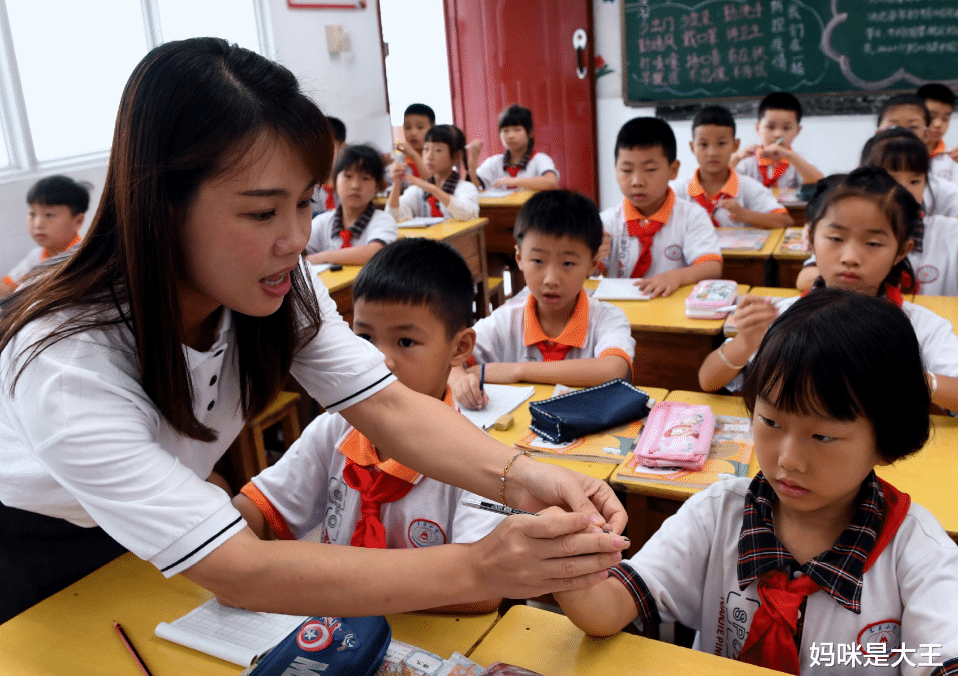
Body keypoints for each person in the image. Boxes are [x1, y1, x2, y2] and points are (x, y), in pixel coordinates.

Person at [0, 38, 628, 624]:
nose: (298, 239)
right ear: (161, 205)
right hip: (42, 551)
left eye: (305, 202)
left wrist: (523, 474)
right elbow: (241, 571)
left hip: (157, 535)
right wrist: (482, 566)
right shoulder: (68, 358)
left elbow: (385, 405)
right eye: (262, 211)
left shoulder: (273, 279)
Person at [555, 287, 958, 676]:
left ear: (886, 442)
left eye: (822, 437)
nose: (788, 459)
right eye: (771, 422)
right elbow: (605, 612)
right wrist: (563, 560)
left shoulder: (916, 552)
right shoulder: (716, 514)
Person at [236, 238, 503, 613]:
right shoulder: (333, 430)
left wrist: (328, 583)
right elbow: (259, 513)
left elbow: (484, 591)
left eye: (405, 341)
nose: (379, 359)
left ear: (459, 349)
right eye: (364, 337)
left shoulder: (478, 460)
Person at [699, 167, 958, 413]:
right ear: (810, 238)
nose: (850, 257)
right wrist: (745, 342)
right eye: (835, 239)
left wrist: (908, 376)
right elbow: (708, 380)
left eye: (873, 243)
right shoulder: (782, 316)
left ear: (901, 251)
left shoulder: (922, 326)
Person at [451, 190, 634, 410]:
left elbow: (613, 369)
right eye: (538, 260)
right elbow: (450, 357)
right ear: (519, 258)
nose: (551, 279)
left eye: (568, 263)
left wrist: (516, 371)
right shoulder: (506, 319)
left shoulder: (606, 318)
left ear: (593, 264)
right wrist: (461, 382)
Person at [798, 130, 958, 295]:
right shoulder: (844, 232)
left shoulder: (948, 232)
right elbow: (804, 278)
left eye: (915, 181)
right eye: (890, 179)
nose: (904, 189)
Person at [599, 117, 722, 297]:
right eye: (626, 170)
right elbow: (588, 273)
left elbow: (712, 267)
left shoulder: (691, 216)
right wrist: (590, 261)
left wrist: (677, 277)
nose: (637, 181)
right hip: (621, 315)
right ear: (615, 170)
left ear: (673, 170)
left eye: (649, 170)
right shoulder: (607, 222)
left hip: (673, 316)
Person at [678, 105, 792, 228]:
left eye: (721, 143)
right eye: (703, 144)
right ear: (692, 147)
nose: (712, 152)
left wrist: (744, 215)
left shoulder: (747, 187)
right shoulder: (678, 191)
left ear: (735, 145)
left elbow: (785, 220)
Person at [306, 144, 397, 266]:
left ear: (377, 186)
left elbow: (374, 253)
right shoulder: (322, 222)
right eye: (348, 176)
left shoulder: (383, 220)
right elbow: (299, 253)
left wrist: (323, 257)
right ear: (334, 181)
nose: (355, 185)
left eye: (365, 178)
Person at [1, 175, 88, 297]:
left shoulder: (85, 257)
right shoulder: (35, 257)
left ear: (78, 221)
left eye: (49, 215)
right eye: (32, 214)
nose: (37, 224)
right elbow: (6, 287)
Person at [732, 91, 823, 190]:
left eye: (786, 128)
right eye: (770, 127)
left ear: (797, 131)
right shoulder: (747, 161)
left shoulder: (800, 160)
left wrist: (790, 155)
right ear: (758, 128)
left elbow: (821, 185)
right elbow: (718, 181)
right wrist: (736, 158)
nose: (778, 134)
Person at [387, 124, 479, 222]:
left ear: (457, 156)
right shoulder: (418, 190)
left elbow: (468, 215)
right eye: (426, 149)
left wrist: (432, 189)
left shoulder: (465, 188)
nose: (429, 156)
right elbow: (393, 217)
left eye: (437, 150)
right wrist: (396, 183)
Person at [469, 104, 559, 191]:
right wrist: (474, 158)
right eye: (505, 131)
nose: (510, 136)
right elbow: (475, 185)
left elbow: (551, 182)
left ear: (530, 133)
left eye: (517, 130)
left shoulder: (540, 159)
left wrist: (513, 181)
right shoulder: (493, 162)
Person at [917, 84, 958, 184]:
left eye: (945, 119)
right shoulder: (897, 154)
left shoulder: (952, 158)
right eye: (931, 117)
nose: (938, 124)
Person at [312, 116, 347, 214]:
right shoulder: (306, 187)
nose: (317, 151)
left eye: (325, 145)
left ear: (342, 147)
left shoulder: (351, 184)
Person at [393, 103, 435, 180]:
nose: (413, 133)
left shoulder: (438, 156)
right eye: (408, 127)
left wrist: (413, 155)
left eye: (420, 127)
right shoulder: (400, 160)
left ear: (432, 129)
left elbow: (433, 183)